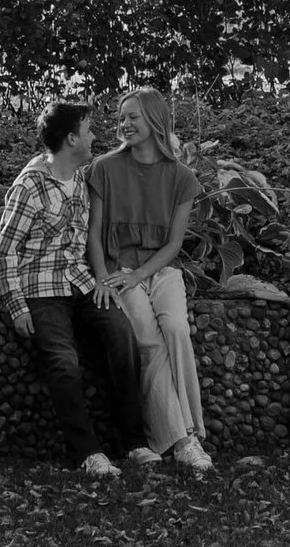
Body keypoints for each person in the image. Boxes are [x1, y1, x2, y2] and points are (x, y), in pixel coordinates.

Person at [0, 99, 138, 475]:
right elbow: (3, 252)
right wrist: (17, 306)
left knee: (122, 334)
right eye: (88, 131)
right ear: (72, 139)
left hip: (81, 282)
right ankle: (87, 452)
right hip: (41, 289)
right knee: (63, 362)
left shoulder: (82, 179)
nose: (94, 137)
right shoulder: (30, 186)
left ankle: (134, 441)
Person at [88, 84, 214, 475]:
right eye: (121, 117)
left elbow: (174, 243)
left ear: (155, 120)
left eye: (133, 117)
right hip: (118, 271)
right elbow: (93, 235)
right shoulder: (104, 169)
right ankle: (186, 440)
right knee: (148, 340)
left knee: (176, 329)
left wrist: (141, 274)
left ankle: (184, 435)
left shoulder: (182, 177)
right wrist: (105, 278)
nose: (123, 124)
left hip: (159, 270)